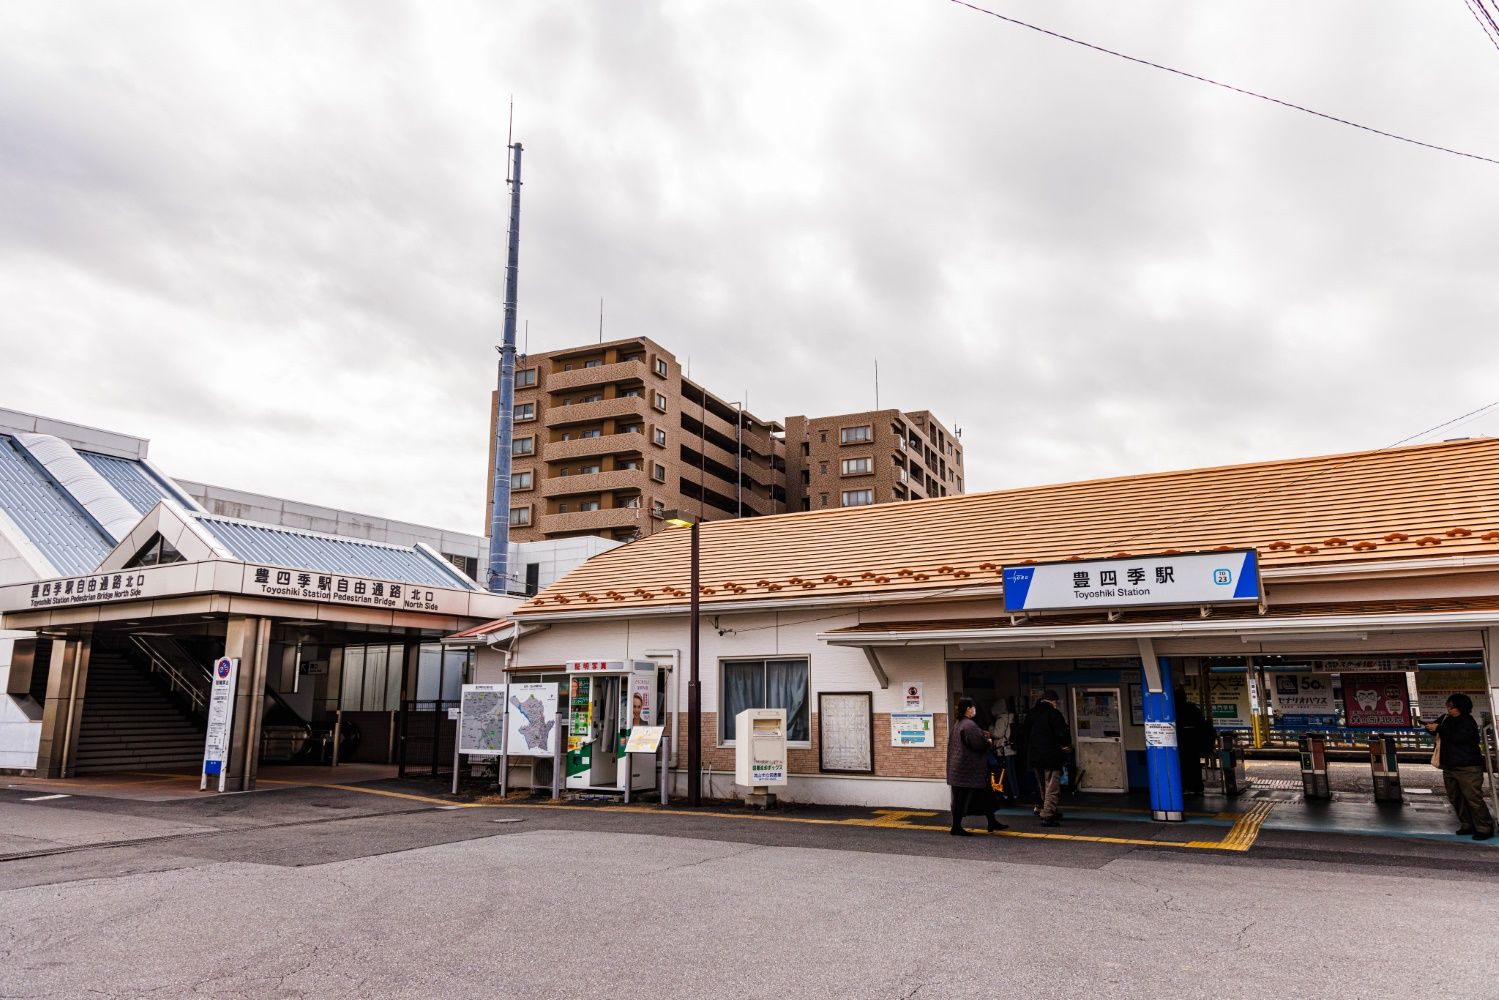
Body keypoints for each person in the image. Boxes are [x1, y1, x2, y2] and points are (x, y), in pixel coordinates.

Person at [1425, 693, 1495, 841]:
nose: (1449, 709)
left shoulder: (1467, 722)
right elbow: (1437, 729)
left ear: (1460, 707)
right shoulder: (1446, 719)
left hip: (1468, 767)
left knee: (1473, 798)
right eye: (1448, 706)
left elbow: (1459, 738)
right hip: (1449, 766)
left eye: (1452, 706)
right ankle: (1467, 824)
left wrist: (1439, 729)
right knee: (1455, 797)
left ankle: (1485, 827)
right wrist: (1430, 727)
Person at [947, 697, 1007, 836]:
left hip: (962, 770)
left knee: (986, 795)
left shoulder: (959, 724)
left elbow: (973, 737)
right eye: (973, 707)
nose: (975, 710)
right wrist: (989, 741)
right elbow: (978, 744)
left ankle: (992, 822)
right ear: (968, 708)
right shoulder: (969, 725)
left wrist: (983, 734)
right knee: (961, 800)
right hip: (968, 771)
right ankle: (956, 827)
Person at [1026, 690, 1072, 827]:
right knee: (1052, 787)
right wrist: (1066, 746)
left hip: (1035, 757)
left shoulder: (1031, 714)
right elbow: (1063, 734)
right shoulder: (1054, 714)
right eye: (1055, 702)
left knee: (1042, 786)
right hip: (1051, 756)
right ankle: (1047, 815)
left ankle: (1047, 809)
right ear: (1053, 701)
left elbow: (1025, 734)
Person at [1174, 689, 1213, 796]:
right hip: (1193, 743)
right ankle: (1197, 786)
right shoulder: (1193, 709)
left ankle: (1185, 786)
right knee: (1194, 765)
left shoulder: (1174, 710)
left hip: (1180, 743)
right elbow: (1201, 725)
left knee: (1182, 765)